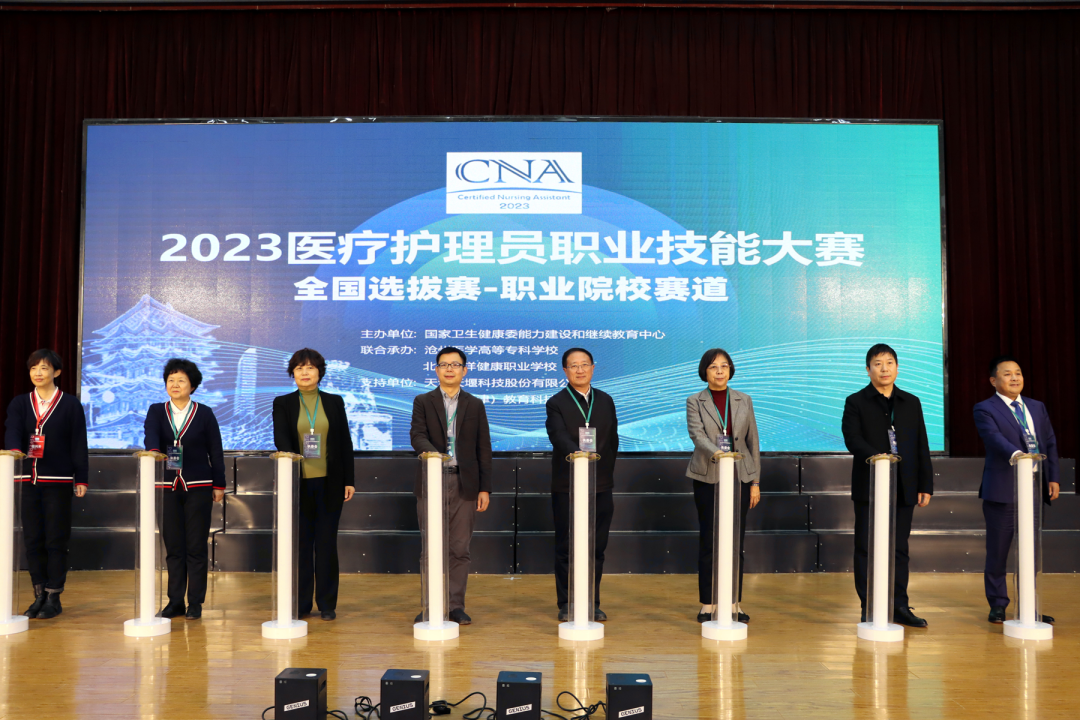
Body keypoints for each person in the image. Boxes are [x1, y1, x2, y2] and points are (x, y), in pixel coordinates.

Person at [841, 343, 933, 627]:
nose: (884, 369)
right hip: (870, 486)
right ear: (868, 369)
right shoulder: (855, 401)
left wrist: (925, 484)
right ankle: (869, 605)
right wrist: (879, 457)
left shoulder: (911, 402)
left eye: (889, 363)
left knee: (899, 549)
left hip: (904, 485)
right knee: (866, 548)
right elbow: (852, 439)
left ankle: (899, 606)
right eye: (878, 364)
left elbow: (921, 444)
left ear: (897, 367)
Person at [973, 355, 1059, 625]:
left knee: (1030, 551)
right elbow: (993, 438)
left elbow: (1049, 442)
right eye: (1007, 373)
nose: (1014, 378)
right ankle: (998, 605)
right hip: (1003, 489)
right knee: (998, 551)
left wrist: (1053, 477)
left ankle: (1029, 606)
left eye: (1018, 373)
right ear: (993, 380)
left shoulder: (1037, 407)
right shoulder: (984, 408)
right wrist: (1019, 455)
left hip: (1034, 488)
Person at [409, 346, 492, 626]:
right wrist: (436, 455)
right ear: (436, 370)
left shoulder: (475, 404)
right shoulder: (423, 400)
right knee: (431, 548)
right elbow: (417, 435)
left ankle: (456, 605)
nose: (449, 369)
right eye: (444, 364)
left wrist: (485, 488)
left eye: (455, 365)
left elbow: (483, 448)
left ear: (464, 371)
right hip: (431, 480)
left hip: (464, 483)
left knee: (459, 548)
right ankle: (430, 605)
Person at [3, 349, 88, 620]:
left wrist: (81, 477)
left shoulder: (70, 404)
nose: (37, 373)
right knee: (32, 539)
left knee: (55, 539)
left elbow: (78, 443)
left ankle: (53, 596)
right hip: (27, 479)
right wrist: (14, 450)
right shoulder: (20, 402)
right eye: (33, 368)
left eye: (43, 368)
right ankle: (38, 594)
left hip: (58, 480)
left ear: (57, 372)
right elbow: (13, 430)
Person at [272, 348, 355, 621]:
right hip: (297, 484)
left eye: (310, 367)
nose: (305, 373)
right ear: (292, 373)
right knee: (301, 545)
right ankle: (302, 603)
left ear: (320, 372)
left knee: (327, 544)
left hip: (331, 483)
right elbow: (281, 439)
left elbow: (344, 442)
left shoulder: (333, 401)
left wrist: (349, 480)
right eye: (299, 368)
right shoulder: (282, 402)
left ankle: (327, 604)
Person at [143, 358, 226, 620]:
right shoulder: (157, 410)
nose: (175, 384)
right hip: (167, 485)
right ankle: (175, 601)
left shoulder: (205, 413)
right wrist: (153, 452)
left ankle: (195, 603)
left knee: (196, 546)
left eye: (181, 380)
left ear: (193, 386)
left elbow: (216, 450)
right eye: (171, 380)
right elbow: (150, 436)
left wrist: (219, 483)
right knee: (173, 547)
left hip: (199, 486)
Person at [685, 348, 761, 624]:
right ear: (704, 371)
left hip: (741, 476)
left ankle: (733, 602)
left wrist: (755, 481)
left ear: (730, 370)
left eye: (724, 366)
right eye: (713, 367)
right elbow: (697, 435)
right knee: (710, 539)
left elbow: (753, 441)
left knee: (735, 541)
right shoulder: (695, 401)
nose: (719, 371)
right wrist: (720, 454)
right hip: (709, 475)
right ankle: (708, 603)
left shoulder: (744, 399)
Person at [545, 348, 618, 622]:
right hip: (568, 484)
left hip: (600, 484)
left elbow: (613, 440)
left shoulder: (606, 400)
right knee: (566, 546)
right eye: (573, 366)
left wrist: (605, 472)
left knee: (596, 547)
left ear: (593, 368)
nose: (579, 370)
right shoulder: (556, 402)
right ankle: (567, 602)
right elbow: (557, 435)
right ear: (565, 371)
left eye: (584, 364)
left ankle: (591, 601)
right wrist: (578, 454)